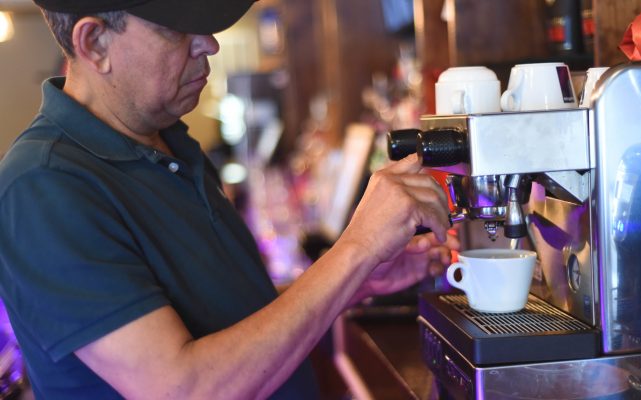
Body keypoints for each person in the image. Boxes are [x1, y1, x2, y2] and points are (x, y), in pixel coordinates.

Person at [0, 1, 459, 399]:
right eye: (177, 28)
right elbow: (184, 388)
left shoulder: (169, 145)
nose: (210, 44)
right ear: (95, 42)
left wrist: (355, 279)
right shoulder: (44, 185)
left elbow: (223, 314)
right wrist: (354, 249)